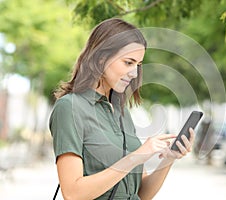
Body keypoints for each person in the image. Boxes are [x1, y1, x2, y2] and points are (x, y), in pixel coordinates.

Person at [49, 18, 195, 200]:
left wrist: (169, 158)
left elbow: (141, 194)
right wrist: (136, 156)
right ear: (101, 57)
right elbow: (73, 193)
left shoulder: (121, 113)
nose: (134, 73)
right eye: (128, 62)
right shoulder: (70, 107)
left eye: (138, 65)